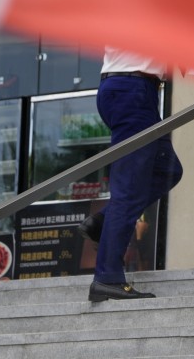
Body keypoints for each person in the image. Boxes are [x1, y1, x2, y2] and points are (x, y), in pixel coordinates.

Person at [79, 48, 184, 302]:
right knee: (128, 189)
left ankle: (102, 222)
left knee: (167, 169)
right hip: (134, 90)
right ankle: (108, 278)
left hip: (126, 89)